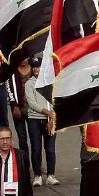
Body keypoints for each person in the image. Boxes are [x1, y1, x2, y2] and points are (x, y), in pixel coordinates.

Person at [25, 57, 58, 185]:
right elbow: (32, 103)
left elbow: (55, 101)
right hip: (35, 119)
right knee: (36, 147)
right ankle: (37, 175)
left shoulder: (50, 82)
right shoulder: (30, 84)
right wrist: (46, 111)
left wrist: (52, 117)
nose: (36, 69)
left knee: (50, 148)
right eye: (34, 67)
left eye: (38, 66)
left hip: (50, 120)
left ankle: (51, 175)